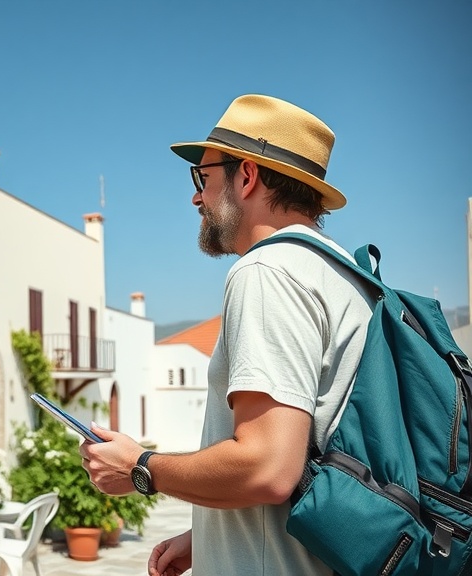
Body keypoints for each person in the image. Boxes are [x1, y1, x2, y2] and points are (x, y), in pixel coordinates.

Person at [80, 94, 375, 576]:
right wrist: (210, 536)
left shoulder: (267, 270)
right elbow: (318, 459)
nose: (196, 196)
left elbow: (267, 467)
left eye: (203, 176)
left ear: (247, 175)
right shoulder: (347, 277)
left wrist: (141, 466)